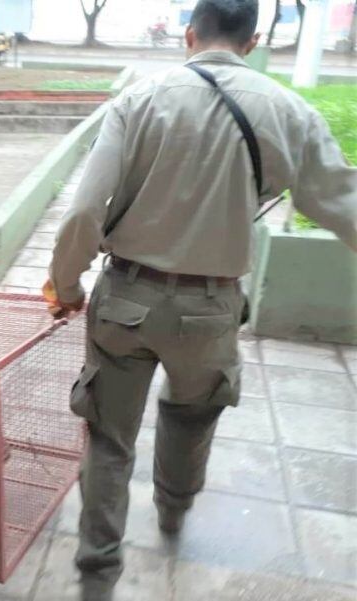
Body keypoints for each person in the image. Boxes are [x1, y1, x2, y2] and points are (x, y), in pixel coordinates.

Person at [46, 1, 357, 599]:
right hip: (210, 312)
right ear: (254, 39)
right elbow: (343, 203)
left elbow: (85, 210)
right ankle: (173, 510)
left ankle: (97, 575)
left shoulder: (138, 100)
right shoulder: (287, 109)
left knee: (109, 439)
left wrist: (65, 285)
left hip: (125, 302)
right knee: (190, 418)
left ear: (189, 35)